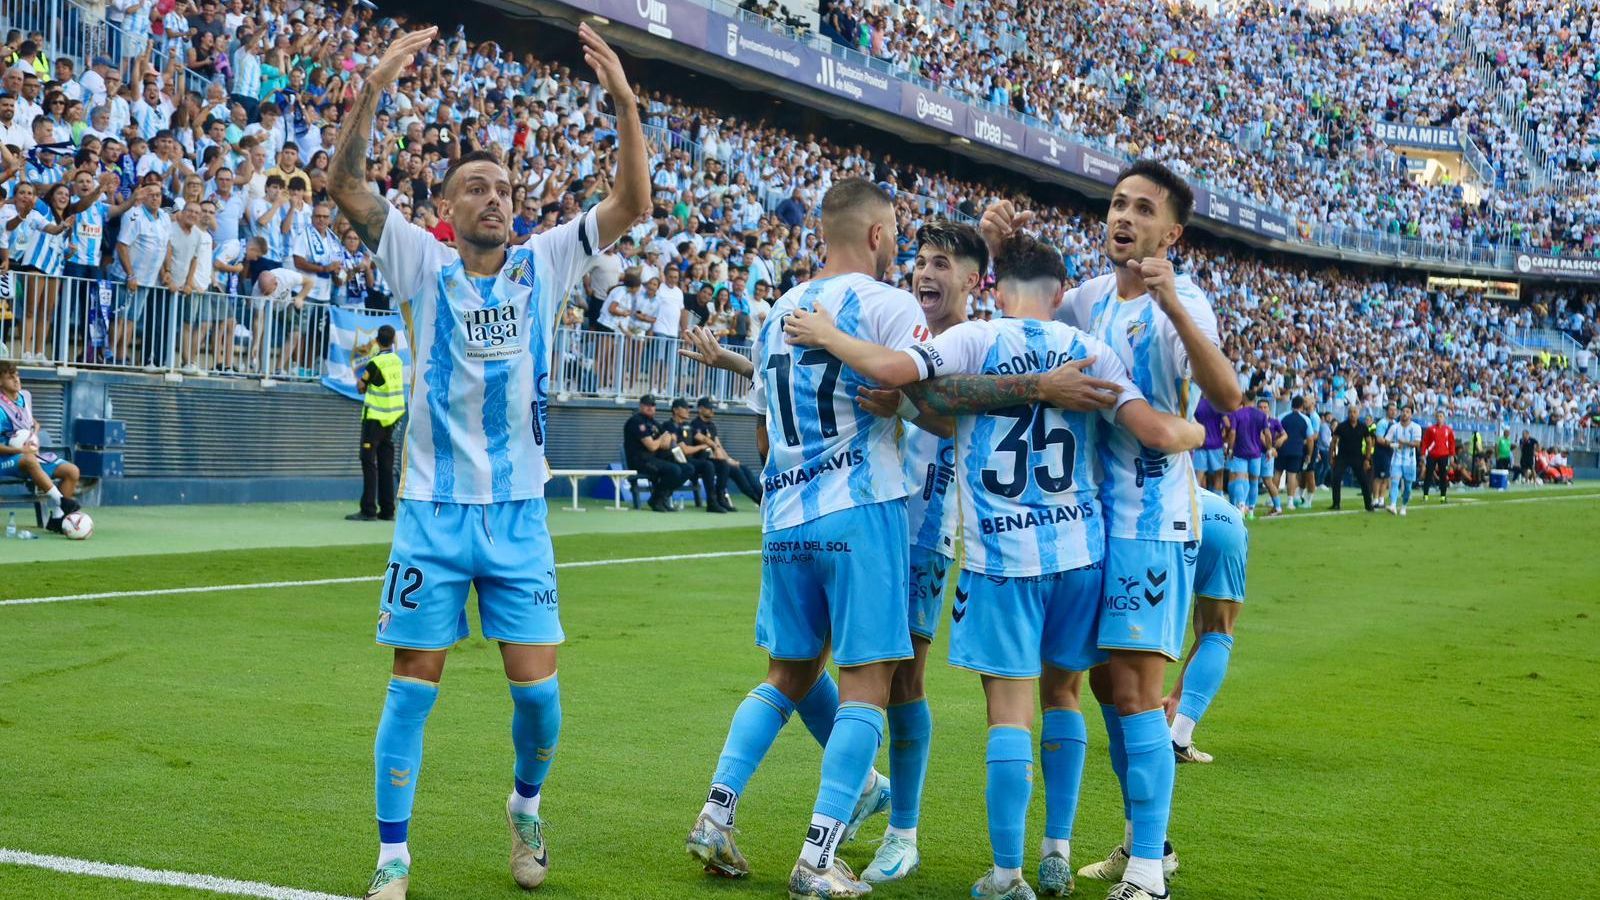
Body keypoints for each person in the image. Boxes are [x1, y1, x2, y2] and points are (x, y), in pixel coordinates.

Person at [326, 24, 650, 900]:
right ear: (448, 207)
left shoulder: (547, 260)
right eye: (476, 187)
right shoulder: (419, 261)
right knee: (411, 688)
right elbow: (345, 185)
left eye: (504, 186)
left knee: (539, 700)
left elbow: (630, 204)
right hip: (433, 514)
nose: (495, 197)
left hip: (518, 518)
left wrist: (623, 102)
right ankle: (393, 855)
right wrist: (377, 85)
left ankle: (524, 807)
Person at [783, 232, 1204, 900]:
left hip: (999, 557)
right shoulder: (1092, 350)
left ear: (996, 287)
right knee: (1064, 695)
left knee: (1009, 715)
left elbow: (900, 376)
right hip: (1079, 556)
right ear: (1061, 295)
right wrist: (1195, 431)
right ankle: (1056, 849)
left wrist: (831, 336)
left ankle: (1008, 873)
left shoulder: (975, 338)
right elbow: (1153, 431)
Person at [977, 162, 1241, 900]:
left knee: (1135, 690)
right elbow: (1029, 326)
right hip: (1089, 524)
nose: (1123, 216)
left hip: (1152, 521)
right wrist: (1005, 250)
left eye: (1143, 208)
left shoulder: (1185, 300)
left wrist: (1174, 306)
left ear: (1172, 232)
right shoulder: (1089, 297)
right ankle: (1144, 842)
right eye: (1118, 203)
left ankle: (1151, 874)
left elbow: (1227, 396)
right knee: (1104, 686)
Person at [683, 179, 925, 899]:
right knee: (866, 686)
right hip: (860, 509)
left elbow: (761, 422)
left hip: (785, 514)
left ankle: (715, 815)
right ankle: (819, 856)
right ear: (878, 235)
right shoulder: (889, 305)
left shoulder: (778, 311)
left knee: (787, 674)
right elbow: (922, 388)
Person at [1164, 488, 1248, 764]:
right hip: (1224, 522)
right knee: (1218, 631)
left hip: (1165, 520)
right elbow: (1207, 635)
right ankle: (1179, 737)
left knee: (1135, 624)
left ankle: (1137, 727)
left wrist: (1177, 693)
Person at [0, 360, 81, 532]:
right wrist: (20, 449)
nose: (16, 380)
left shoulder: (25, 396)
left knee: (72, 471)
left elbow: (33, 422)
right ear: (0, 382)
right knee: (29, 459)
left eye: (17, 375)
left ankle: (57, 519)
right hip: (5, 459)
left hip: (28, 455)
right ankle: (62, 501)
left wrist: (34, 432)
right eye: (10, 377)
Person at [347, 324, 404, 523]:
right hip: (394, 419)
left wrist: (362, 382)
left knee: (369, 462)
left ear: (377, 340)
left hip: (375, 420)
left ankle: (368, 509)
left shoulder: (375, 363)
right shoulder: (397, 361)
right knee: (387, 465)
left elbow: (361, 387)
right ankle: (388, 510)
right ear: (393, 339)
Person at [623, 393, 691, 511]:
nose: (650, 408)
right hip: (640, 460)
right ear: (640, 406)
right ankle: (656, 500)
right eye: (647, 405)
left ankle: (661, 497)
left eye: (653, 405)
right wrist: (661, 439)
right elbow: (652, 446)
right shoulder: (636, 421)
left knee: (688, 468)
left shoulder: (653, 422)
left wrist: (666, 438)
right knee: (673, 470)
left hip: (653, 460)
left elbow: (669, 438)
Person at [665, 397, 720, 512]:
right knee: (706, 465)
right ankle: (665, 493)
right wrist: (702, 446)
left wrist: (714, 445)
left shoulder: (688, 426)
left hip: (689, 460)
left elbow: (702, 438)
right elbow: (684, 450)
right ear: (675, 410)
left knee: (713, 464)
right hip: (676, 460)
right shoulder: (670, 426)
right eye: (685, 408)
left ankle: (714, 502)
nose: (688, 411)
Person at [1225, 399, 1266, 519]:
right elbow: (1266, 434)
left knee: (1239, 479)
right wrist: (1269, 449)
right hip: (1255, 453)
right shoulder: (1261, 415)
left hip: (1240, 452)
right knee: (1253, 481)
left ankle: (1241, 507)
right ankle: (1251, 510)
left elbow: (1232, 433)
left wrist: (1230, 449)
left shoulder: (1237, 414)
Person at [1328, 404, 1373, 511]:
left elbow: (1369, 442)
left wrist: (1367, 459)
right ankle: (1336, 503)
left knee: (1364, 481)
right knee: (1336, 478)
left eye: (1354, 412)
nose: (1352, 414)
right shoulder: (1341, 426)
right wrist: (1332, 456)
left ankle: (1368, 505)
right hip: (1343, 456)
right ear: (1347, 414)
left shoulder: (1363, 427)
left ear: (1358, 414)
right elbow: (1333, 442)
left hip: (1357, 457)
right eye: (1350, 412)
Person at [1277, 395, 1316, 509]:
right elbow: (1310, 439)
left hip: (1282, 449)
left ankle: (1273, 499)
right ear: (1302, 406)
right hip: (1296, 450)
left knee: (1277, 473)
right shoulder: (1306, 419)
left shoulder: (1281, 416)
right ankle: (1290, 501)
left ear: (1291, 404)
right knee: (1292, 475)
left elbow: (1276, 433)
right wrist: (1309, 454)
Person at [1384, 407, 1422, 515]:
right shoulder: (1394, 427)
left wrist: (1405, 443)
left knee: (1408, 488)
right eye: (1403, 411)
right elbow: (1386, 441)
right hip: (1396, 460)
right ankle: (1393, 505)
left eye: (1407, 412)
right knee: (1395, 481)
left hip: (1410, 462)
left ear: (1411, 415)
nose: (1405, 414)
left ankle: (1404, 506)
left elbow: (1417, 443)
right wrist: (1395, 445)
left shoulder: (1416, 427)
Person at [1192, 396, 1227, 493]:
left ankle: (1197, 500)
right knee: (1218, 476)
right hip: (1216, 445)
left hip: (1200, 445)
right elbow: (1227, 424)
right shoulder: (1218, 404)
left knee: (1198, 476)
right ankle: (1218, 502)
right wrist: (1224, 439)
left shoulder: (1196, 404)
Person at [1419, 411, 1456, 502]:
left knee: (1443, 475)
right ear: (1436, 418)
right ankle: (1425, 495)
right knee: (1428, 474)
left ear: (1444, 418)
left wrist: (1452, 455)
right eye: (1438, 416)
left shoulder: (1448, 430)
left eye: (1441, 416)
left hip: (1444, 455)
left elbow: (1452, 443)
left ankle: (1443, 496)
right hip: (1432, 455)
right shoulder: (1431, 429)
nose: (1439, 418)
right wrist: (1423, 454)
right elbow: (1425, 442)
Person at [1369, 402, 1397, 511]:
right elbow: (1379, 439)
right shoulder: (1382, 423)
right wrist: (1391, 444)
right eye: (1391, 410)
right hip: (1381, 452)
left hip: (1389, 452)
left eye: (1395, 410)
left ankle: (1381, 499)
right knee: (1378, 477)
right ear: (1387, 411)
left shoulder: (1395, 423)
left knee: (1386, 477)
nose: (1393, 412)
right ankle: (1375, 499)